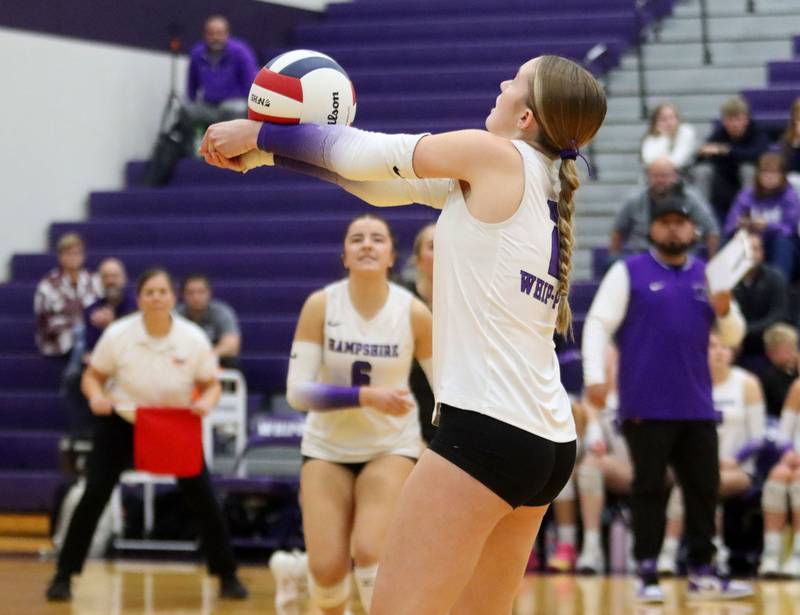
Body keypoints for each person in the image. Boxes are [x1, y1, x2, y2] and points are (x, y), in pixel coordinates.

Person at [200, 54, 606, 615]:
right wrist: (270, 154)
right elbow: (384, 186)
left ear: (527, 118)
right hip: (548, 444)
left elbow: (375, 153)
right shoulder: (539, 182)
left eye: (516, 80)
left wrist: (261, 129)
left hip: (487, 433)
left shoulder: (496, 156)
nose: (502, 81)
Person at [582, 198, 751, 602]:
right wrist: (594, 375)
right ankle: (646, 572)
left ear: (693, 230)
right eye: (665, 223)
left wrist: (725, 312)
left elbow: (733, 336)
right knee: (649, 487)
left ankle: (703, 571)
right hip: (646, 404)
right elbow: (599, 324)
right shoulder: (629, 271)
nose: (673, 230)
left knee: (703, 488)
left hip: (696, 404)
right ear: (652, 229)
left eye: (681, 223)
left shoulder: (709, 277)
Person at [45, 269, 247, 602]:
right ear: (139, 299)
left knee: (204, 498)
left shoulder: (192, 337)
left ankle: (227, 575)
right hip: (124, 422)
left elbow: (211, 384)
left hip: (173, 423)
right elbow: (92, 376)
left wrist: (207, 404)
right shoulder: (119, 333)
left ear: (173, 297)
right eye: (149, 292)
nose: (156, 297)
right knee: (94, 494)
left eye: (162, 291)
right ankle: (63, 576)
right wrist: (96, 396)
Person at [270, 214, 432, 615]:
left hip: (390, 446)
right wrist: (364, 396)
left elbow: (446, 390)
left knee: (369, 552)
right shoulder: (321, 305)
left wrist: (443, 445)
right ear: (344, 256)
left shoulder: (413, 313)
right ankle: (299, 571)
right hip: (327, 447)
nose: (366, 245)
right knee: (327, 571)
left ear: (391, 255)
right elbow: (297, 392)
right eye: (356, 239)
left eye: (377, 239)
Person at [656, 330, 766, 576]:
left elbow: (759, 438)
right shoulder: (690, 384)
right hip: (698, 467)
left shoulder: (747, 384)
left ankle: (697, 552)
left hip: (738, 468)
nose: (719, 351)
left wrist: (735, 459)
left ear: (733, 352)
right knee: (694, 482)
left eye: (725, 347)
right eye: (713, 346)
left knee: (703, 484)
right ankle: (674, 554)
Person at [143, 15, 258, 186]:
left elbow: (252, 83)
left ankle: (234, 150)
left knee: (232, 109)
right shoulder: (197, 53)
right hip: (209, 104)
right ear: (205, 35)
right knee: (186, 111)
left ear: (227, 34)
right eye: (211, 33)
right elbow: (191, 87)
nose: (215, 38)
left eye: (219, 33)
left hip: (234, 103)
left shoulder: (241, 52)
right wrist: (190, 105)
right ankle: (196, 150)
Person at [63, 258, 136, 439]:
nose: (110, 280)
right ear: (100, 281)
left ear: (124, 278)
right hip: (104, 364)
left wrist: (112, 325)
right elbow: (90, 347)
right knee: (74, 378)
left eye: (114, 275)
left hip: (132, 364)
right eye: (106, 276)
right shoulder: (92, 309)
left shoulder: (135, 307)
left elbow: (135, 342)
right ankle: (82, 434)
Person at [609, 157, 719, 262]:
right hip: (641, 256)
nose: (660, 180)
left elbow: (712, 231)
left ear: (675, 176)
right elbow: (617, 230)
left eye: (665, 176)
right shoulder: (634, 199)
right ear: (647, 176)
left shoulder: (691, 199)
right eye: (655, 176)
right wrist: (614, 256)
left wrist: (712, 264)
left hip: (682, 257)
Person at [724, 152, 800, 280]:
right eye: (765, 173)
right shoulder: (747, 194)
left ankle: (778, 283)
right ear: (758, 175)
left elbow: (790, 228)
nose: (769, 177)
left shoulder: (789, 195)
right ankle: (728, 287)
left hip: (778, 244)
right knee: (732, 240)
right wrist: (740, 226)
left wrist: (767, 226)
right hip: (753, 241)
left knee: (782, 242)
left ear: (782, 176)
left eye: (774, 173)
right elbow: (730, 224)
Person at [696, 95, 770, 223]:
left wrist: (727, 150)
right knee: (702, 171)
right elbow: (702, 155)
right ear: (724, 121)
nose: (735, 124)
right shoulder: (719, 134)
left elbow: (758, 154)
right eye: (730, 120)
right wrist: (702, 154)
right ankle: (701, 218)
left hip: (752, 184)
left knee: (747, 168)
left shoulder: (757, 131)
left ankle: (748, 214)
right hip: (724, 184)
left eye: (738, 119)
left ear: (746, 119)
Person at [34, 233, 100, 358]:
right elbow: (45, 318)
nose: (73, 257)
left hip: (91, 333)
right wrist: (78, 321)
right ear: (60, 257)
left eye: (77, 253)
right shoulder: (48, 283)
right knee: (77, 335)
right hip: (58, 338)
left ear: (83, 256)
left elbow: (99, 307)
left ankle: (77, 364)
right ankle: (79, 360)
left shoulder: (94, 279)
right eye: (68, 253)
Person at [759, 377, 800, 577]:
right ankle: (771, 555)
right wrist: (788, 452)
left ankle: (798, 555)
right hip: (794, 460)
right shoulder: (798, 387)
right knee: (778, 475)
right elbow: (784, 433)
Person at [733, 233, 788, 366]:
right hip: (735, 343)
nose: (751, 254)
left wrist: (743, 331)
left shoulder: (775, 278)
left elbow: (778, 316)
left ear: (762, 253)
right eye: (746, 250)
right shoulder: (727, 281)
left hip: (765, 339)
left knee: (781, 333)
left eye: (756, 249)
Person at [404, 223, 437, 444]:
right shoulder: (399, 299)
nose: (443, 250)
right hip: (406, 420)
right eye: (433, 246)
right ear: (417, 259)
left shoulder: (473, 302)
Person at [177, 273, 242, 370]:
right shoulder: (176, 315)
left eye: (201, 292)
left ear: (209, 293)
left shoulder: (221, 312)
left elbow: (232, 345)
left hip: (214, 360)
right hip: (184, 360)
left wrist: (208, 356)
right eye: (191, 293)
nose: (196, 297)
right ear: (183, 295)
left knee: (231, 361)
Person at [641, 103, 697, 174]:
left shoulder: (686, 132)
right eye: (663, 119)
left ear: (678, 119)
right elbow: (647, 161)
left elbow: (679, 161)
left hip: (683, 175)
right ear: (656, 123)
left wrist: (661, 162)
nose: (668, 122)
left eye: (672, 118)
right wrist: (664, 136)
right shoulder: (650, 138)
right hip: (656, 176)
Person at [759, 323, 800, 419]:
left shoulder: (794, 369)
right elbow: (787, 402)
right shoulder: (769, 377)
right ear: (771, 353)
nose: (793, 354)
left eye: (794, 348)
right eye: (787, 350)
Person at [781, 97, 800, 190]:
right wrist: (797, 143)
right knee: (792, 179)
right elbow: (789, 167)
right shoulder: (790, 139)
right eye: (799, 118)